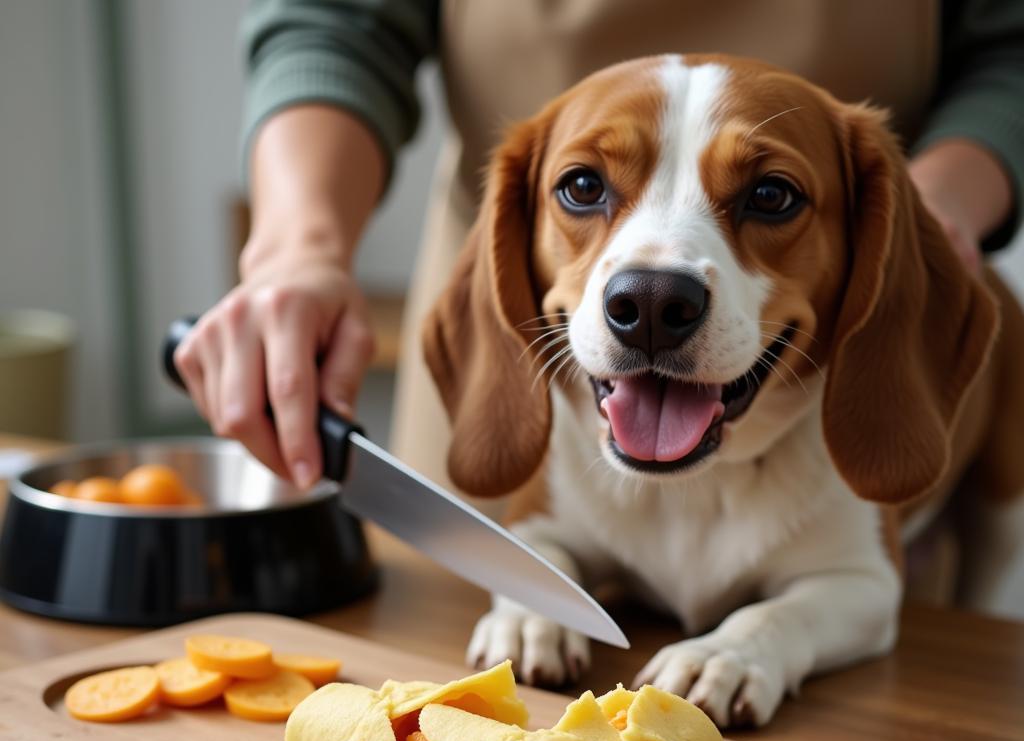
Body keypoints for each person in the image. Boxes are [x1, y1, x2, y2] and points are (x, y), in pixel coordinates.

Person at [173, 0, 1022, 491]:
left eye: (769, 195)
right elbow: (334, 19)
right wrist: (298, 247)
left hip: (837, 378)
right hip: (530, 360)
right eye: (585, 186)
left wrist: (920, 213)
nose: (651, 284)